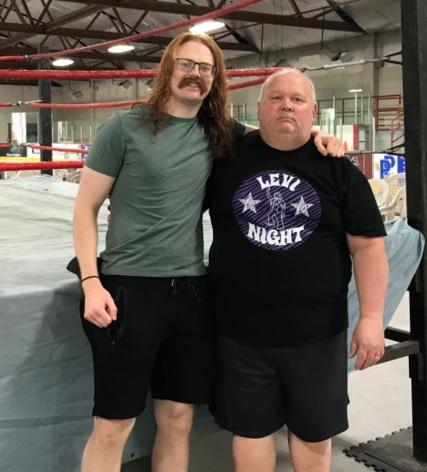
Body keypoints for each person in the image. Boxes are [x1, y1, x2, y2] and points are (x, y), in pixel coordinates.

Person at [71, 33, 343, 472]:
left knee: (177, 419)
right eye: (186, 64)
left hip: (193, 292)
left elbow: (277, 131)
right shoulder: (124, 128)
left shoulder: (221, 134)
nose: (194, 75)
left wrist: (318, 136)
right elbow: (85, 208)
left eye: (205, 68)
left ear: (215, 79)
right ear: (167, 69)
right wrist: (90, 281)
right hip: (129, 287)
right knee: (113, 424)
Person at [205, 68, 389, 472]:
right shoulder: (226, 160)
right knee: (250, 432)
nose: (286, 105)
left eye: (296, 99)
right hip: (240, 333)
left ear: (314, 111)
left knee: (312, 433)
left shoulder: (339, 168)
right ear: (258, 108)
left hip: (316, 334)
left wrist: (373, 318)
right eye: (276, 98)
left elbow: (369, 247)